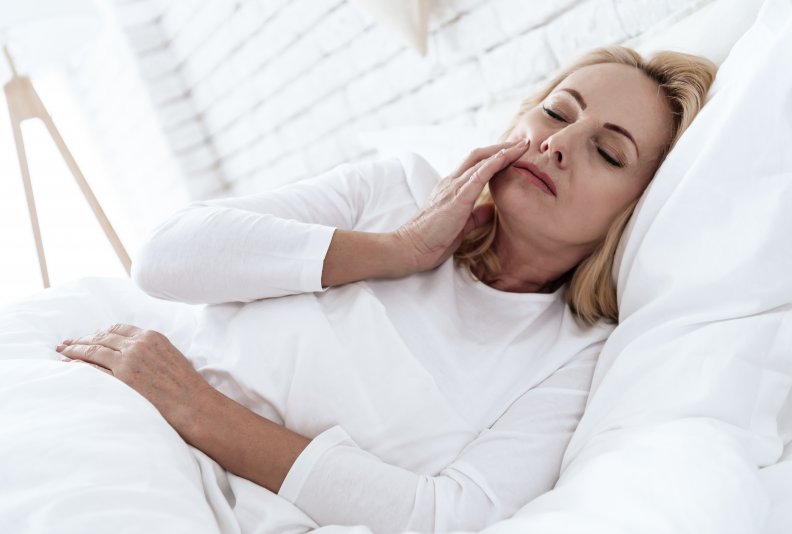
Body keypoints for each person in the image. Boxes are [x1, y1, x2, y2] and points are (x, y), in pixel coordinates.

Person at [55, 46, 716, 533]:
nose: (559, 144)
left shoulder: (571, 356)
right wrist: (397, 250)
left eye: (608, 152)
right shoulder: (397, 189)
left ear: (637, 211)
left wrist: (199, 409)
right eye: (555, 112)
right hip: (128, 424)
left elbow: (443, 516)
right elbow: (168, 256)